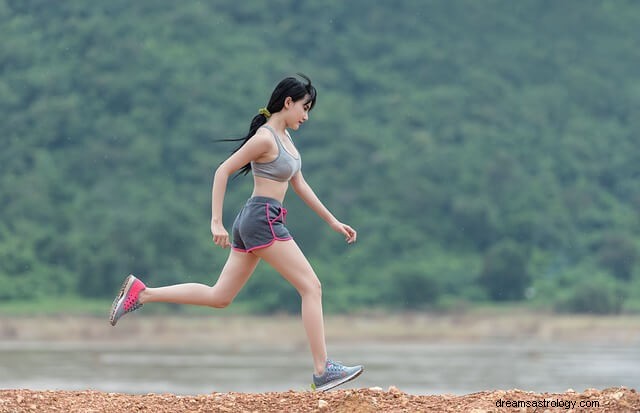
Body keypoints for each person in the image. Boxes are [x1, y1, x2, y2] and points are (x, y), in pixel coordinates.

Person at [109, 74, 363, 391]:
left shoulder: (286, 139)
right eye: (304, 107)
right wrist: (216, 222)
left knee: (220, 297)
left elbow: (299, 184)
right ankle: (323, 370)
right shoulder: (266, 138)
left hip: (255, 220)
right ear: (288, 103)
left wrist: (332, 221)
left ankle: (142, 293)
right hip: (262, 220)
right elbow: (223, 170)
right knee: (312, 287)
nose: (306, 116)